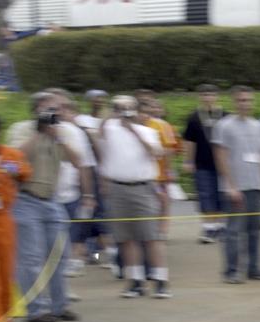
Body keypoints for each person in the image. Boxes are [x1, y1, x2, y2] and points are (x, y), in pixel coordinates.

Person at [7, 91, 84, 322]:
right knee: (31, 258)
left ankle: (60, 306)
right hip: (25, 199)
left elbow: (77, 161)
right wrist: (39, 132)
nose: (57, 111)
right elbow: (12, 162)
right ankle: (37, 309)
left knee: (59, 255)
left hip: (52, 200)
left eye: (59, 107)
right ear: (37, 108)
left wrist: (57, 136)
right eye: (52, 107)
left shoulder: (62, 131)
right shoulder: (21, 129)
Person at [98, 96, 167, 298]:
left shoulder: (148, 131)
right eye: (120, 107)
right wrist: (113, 113)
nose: (125, 111)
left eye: (129, 108)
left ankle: (161, 280)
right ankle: (135, 281)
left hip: (142, 187)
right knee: (126, 238)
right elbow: (99, 132)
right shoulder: (109, 128)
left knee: (151, 237)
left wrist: (133, 130)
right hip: (117, 188)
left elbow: (157, 152)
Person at [213, 85, 260, 283]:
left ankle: (254, 268)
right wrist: (230, 186)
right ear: (234, 102)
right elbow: (220, 156)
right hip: (236, 188)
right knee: (234, 231)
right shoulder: (225, 126)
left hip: (256, 186)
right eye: (241, 100)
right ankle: (231, 271)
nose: (245, 104)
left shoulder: (258, 126)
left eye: (248, 100)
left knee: (256, 229)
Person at [0, 113, 32, 322]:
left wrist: (2, 166)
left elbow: (25, 173)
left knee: (6, 281)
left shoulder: (9, 154)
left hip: (4, 223)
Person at [53, 96, 98, 279]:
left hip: (71, 192)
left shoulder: (74, 131)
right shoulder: (36, 131)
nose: (59, 112)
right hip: (47, 194)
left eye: (63, 108)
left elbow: (84, 165)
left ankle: (79, 259)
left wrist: (88, 194)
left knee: (79, 230)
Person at [181, 83, 228, 244]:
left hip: (223, 163)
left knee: (221, 194)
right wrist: (188, 160)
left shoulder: (226, 115)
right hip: (202, 163)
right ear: (199, 97)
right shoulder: (194, 117)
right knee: (205, 194)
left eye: (211, 94)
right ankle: (209, 228)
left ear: (217, 96)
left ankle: (222, 227)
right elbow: (189, 142)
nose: (208, 97)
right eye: (204, 95)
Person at [74, 90, 114, 267]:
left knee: (104, 213)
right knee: (94, 213)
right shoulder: (82, 120)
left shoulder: (110, 120)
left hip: (108, 170)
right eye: (95, 99)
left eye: (101, 99)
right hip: (90, 170)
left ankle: (97, 253)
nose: (98, 102)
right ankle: (94, 254)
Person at [144, 96, 181, 242]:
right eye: (151, 106)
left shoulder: (164, 125)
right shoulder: (141, 124)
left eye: (157, 107)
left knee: (163, 202)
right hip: (145, 173)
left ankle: (162, 231)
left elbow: (170, 150)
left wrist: (169, 170)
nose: (154, 110)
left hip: (160, 173)